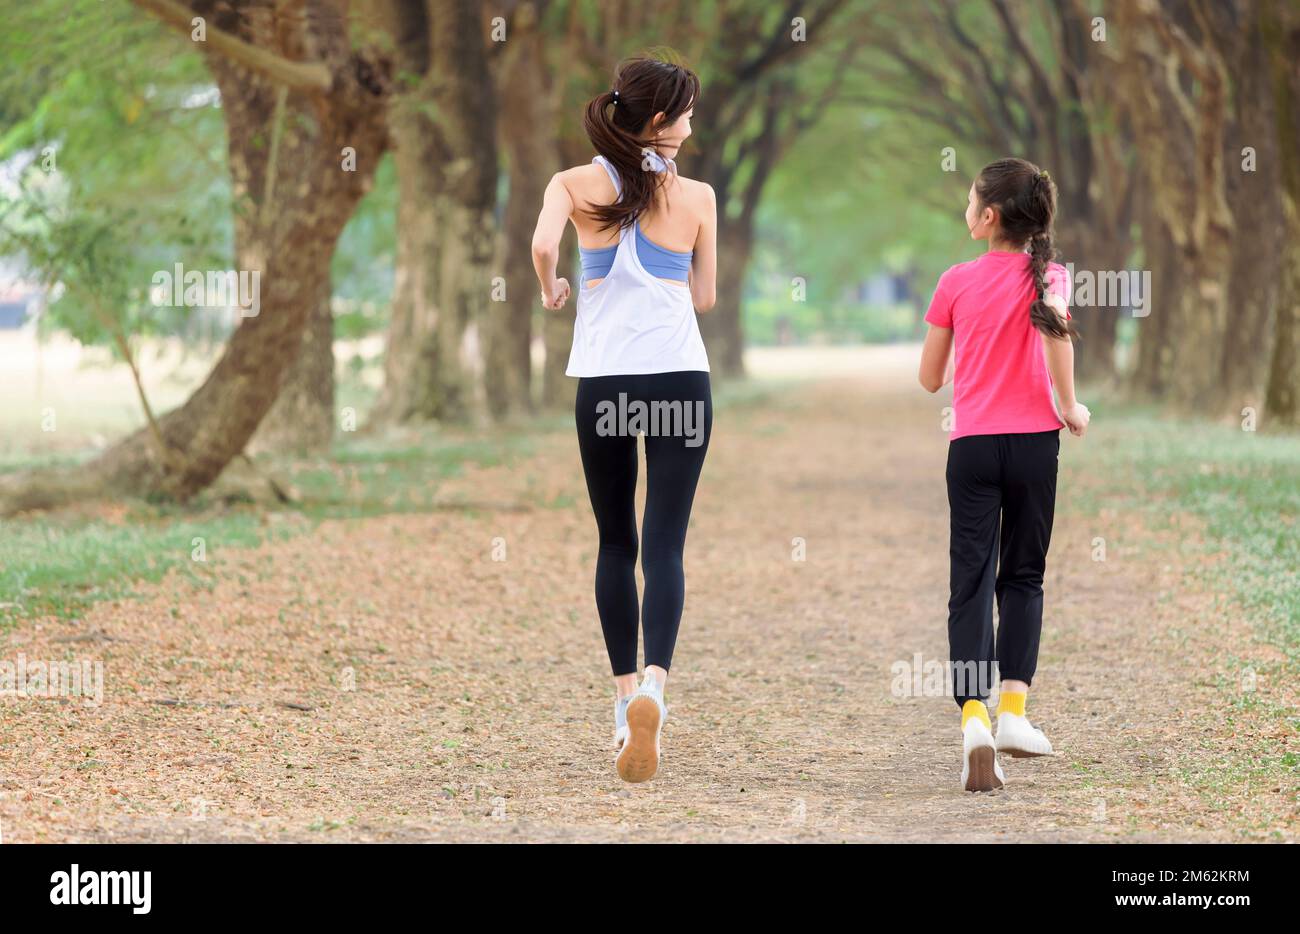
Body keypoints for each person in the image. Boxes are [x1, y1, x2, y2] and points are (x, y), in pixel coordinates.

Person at [530, 53, 717, 783]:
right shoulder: (698, 196)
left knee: (618, 542)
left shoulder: (574, 184)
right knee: (666, 544)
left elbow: (546, 245)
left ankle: (620, 704)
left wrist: (554, 288)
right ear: (663, 121)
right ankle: (657, 690)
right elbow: (703, 299)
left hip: (605, 383)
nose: (693, 124)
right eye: (689, 113)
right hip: (679, 378)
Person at [918, 157, 1091, 792]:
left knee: (970, 581)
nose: (965, 210)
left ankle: (973, 720)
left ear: (989, 217)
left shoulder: (955, 280)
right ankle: (1014, 713)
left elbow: (931, 378)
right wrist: (1068, 407)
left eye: (969, 202)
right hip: (1033, 447)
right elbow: (1058, 338)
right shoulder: (1051, 275)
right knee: (1023, 577)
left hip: (971, 448)